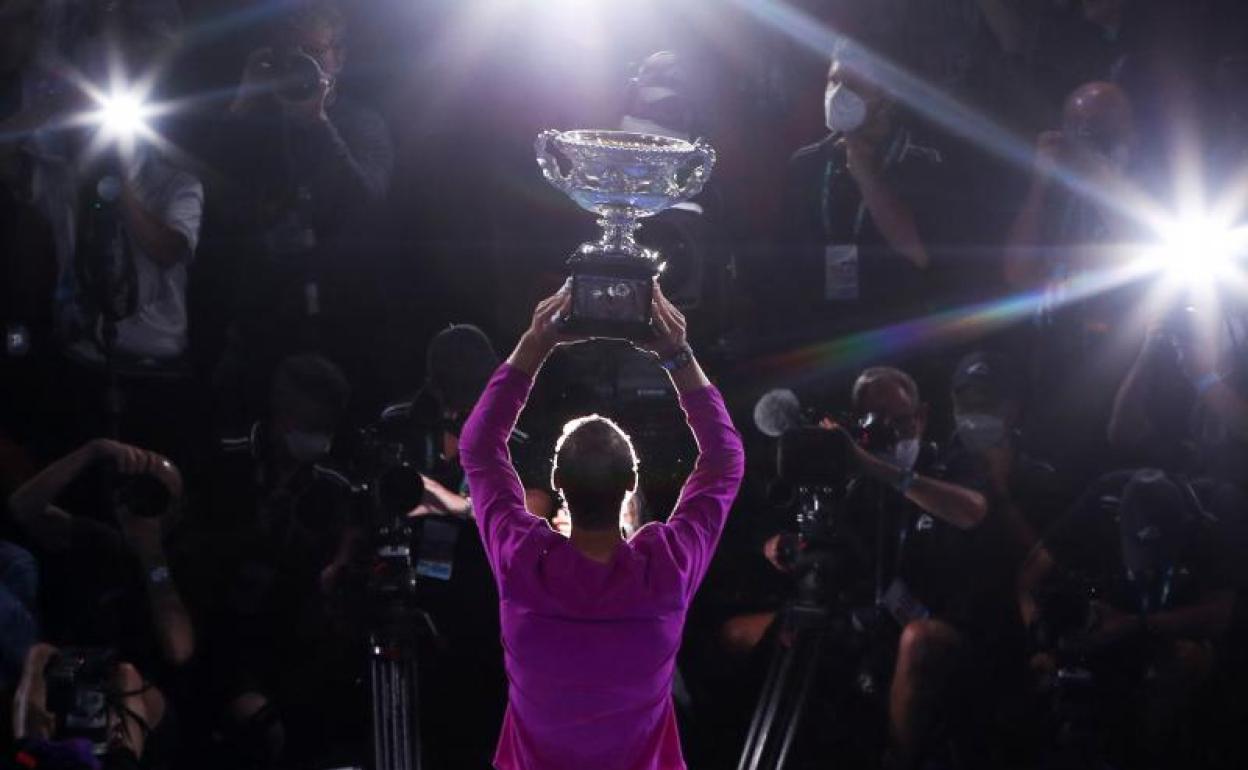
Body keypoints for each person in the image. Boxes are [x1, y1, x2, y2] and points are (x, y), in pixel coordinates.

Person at [459, 281, 745, 770]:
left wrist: (535, 344)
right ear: (632, 482)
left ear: (557, 481)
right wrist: (678, 356)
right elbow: (725, 460)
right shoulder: (664, 571)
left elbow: (480, 448)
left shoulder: (523, 562)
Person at [213, 0, 394, 420]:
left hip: (344, 327)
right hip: (264, 327)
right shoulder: (259, 122)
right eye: (296, 54)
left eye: (316, 52)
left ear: (339, 58)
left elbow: (364, 198)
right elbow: (212, 192)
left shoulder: (362, 123)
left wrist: (316, 121)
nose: (306, 64)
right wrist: (242, 102)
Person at [1018, 468, 1240, 768]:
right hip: (1108, 612)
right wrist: (1040, 640)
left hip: (1173, 623)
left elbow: (1223, 612)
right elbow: (1028, 580)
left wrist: (1137, 623)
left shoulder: (1214, 518)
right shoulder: (1100, 502)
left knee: (1189, 663)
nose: (1146, 566)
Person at [7, 438, 194, 768]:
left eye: (158, 497)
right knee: (39, 661)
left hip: (141, 693)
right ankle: (33, 755)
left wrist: (151, 554)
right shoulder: (100, 540)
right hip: (71, 673)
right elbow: (22, 509)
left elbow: (177, 649)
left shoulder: (183, 561)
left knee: (126, 679)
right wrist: (92, 452)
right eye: (137, 492)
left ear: (177, 509)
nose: (143, 504)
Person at [770, 41, 959, 344]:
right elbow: (785, 258)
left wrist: (866, 175)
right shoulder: (807, 164)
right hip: (821, 335)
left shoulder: (921, 161)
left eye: (854, 85)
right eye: (833, 80)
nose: (838, 92)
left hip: (900, 334)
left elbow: (919, 253)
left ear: (887, 96)